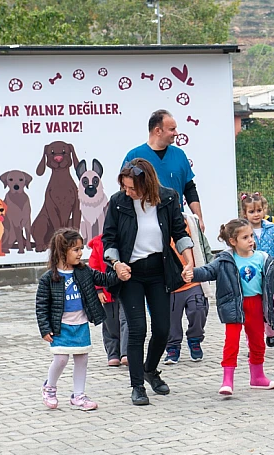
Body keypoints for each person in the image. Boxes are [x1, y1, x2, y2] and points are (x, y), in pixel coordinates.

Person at [101, 158, 195, 406]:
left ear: (147, 184)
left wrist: (189, 262)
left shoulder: (168, 198)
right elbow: (108, 240)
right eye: (124, 187)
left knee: (163, 329)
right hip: (130, 274)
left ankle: (150, 369)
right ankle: (137, 386)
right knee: (137, 329)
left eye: (132, 188)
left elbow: (180, 232)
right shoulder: (118, 202)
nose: (127, 192)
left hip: (159, 271)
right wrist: (116, 263)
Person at [191, 219, 274, 396]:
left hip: (257, 304)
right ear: (233, 241)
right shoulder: (224, 259)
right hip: (234, 305)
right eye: (245, 237)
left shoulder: (263, 258)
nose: (251, 240)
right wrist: (193, 273)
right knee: (231, 342)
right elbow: (208, 271)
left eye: (251, 235)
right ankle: (227, 380)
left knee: (257, 342)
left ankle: (257, 377)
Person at [36, 228, 127, 410]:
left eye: (80, 248)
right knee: (61, 359)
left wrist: (119, 275)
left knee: (82, 359)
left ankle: (79, 396)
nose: (80, 253)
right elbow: (42, 304)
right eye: (75, 249)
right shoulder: (49, 278)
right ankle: (50, 387)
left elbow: (103, 279)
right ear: (62, 251)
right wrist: (45, 328)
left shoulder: (84, 271)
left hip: (80, 324)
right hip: (61, 326)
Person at [123, 109, 206, 232]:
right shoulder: (134, 156)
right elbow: (125, 191)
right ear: (158, 131)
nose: (176, 133)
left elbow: (189, 189)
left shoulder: (179, 155)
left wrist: (198, 218)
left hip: (176, 223)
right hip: (145, 225)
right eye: (172, 129)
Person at [241, 192, 274, 346]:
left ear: (264, 210)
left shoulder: (270, 228)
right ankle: (252, 343)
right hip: (249, 277)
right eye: (251, 211)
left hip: (268, 275)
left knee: (267, 307)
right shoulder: (241, 230)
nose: (256, 214)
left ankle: (271, 330)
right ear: (245, 214)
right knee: (250, 312)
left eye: (259, 210)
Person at [164, 218, 212, 364]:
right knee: (170, 318)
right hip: (170, 283)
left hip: (193, 278)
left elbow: (204, 246)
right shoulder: (157, 223)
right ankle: (172, 347)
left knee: (198, 309)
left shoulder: (191, 222)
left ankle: (195, 340)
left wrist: (210, 268)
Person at [87, 234, 128, 366]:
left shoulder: (128, 237)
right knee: (110, 323)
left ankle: (126, 352)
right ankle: (113, 353)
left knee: (126, 320)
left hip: (127, 288)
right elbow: (94, 268)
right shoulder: (99, 243)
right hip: (107, 290)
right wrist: (98, 290)